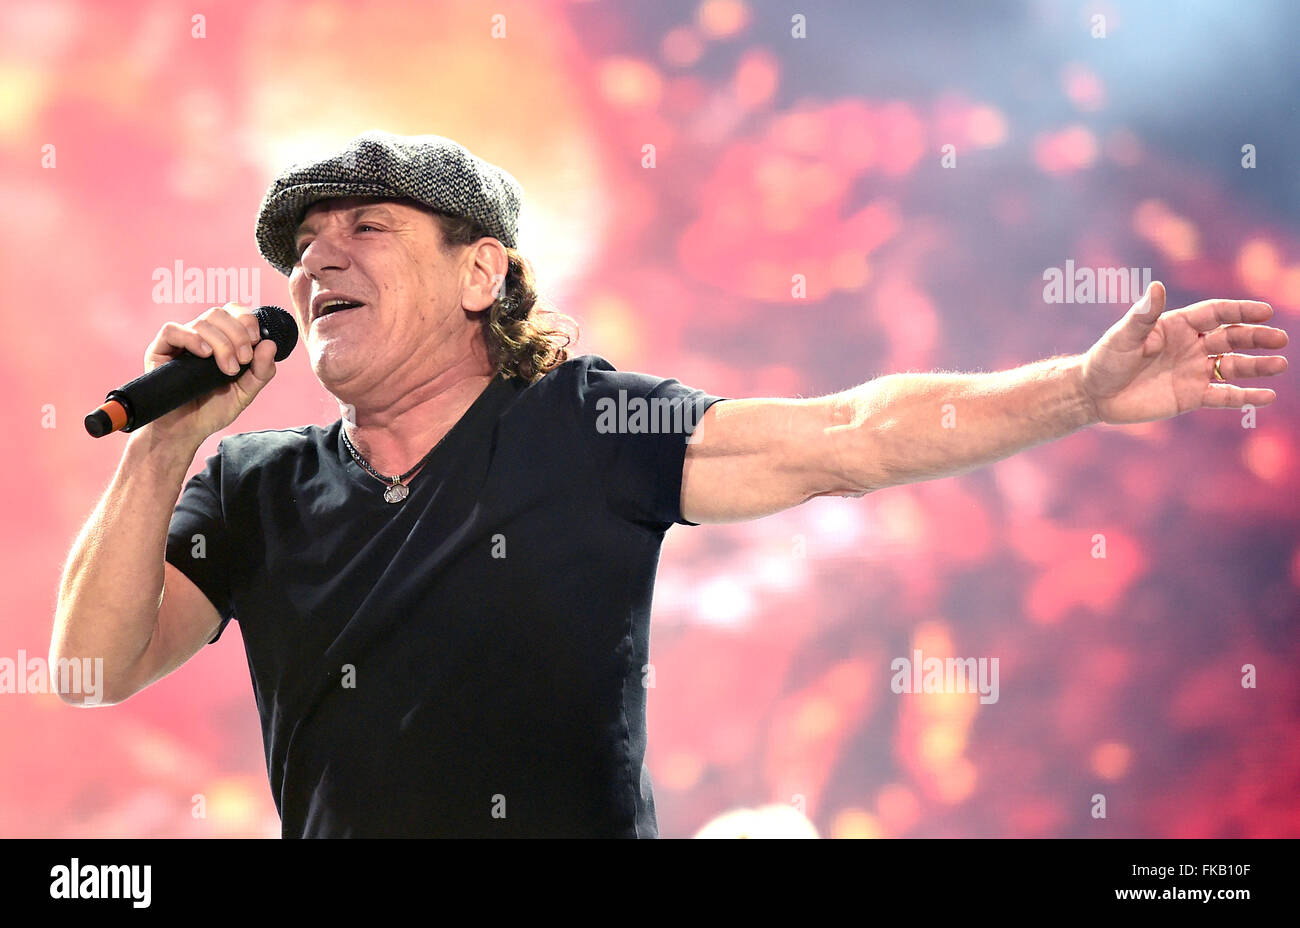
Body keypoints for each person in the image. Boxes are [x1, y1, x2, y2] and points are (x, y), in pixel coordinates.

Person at [50, 130, 1288, 838]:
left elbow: (845, 434)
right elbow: (92, 671)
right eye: (304, 248)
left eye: (364, 227)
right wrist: (161, 446)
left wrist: (1075, 389)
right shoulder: (248, 480)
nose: (320, 259)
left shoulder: (588, 424)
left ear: (482, 274)